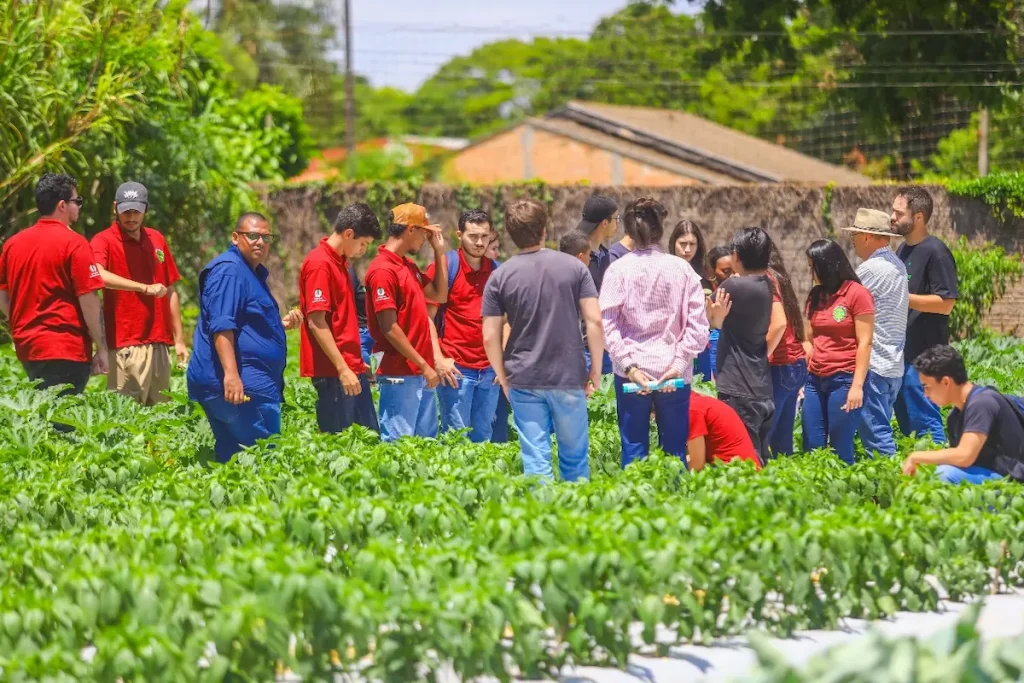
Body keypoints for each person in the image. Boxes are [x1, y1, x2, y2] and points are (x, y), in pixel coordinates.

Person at [482, 198, 601, 482]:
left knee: (536, 461)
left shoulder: (500, 276)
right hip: (568, 374)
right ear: (544, 230)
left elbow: (489, 336)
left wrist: (503, 376)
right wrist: (595, 368)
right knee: (574, 459)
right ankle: (578, 520)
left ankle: (542, 522)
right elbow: (594, 320)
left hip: (523, 377)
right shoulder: (575, 268)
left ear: (510, 234)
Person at [601, 197, 709, 467]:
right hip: (673, 371)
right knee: (674, 451)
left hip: (631, 374)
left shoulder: (617, 270)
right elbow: (698, 327)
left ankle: (638, 504)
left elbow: (608, 325)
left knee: (634, 449)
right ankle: (675, 504)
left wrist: (630, 366)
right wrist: (679, 363)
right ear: (661, 230)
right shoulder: (682, 269)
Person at [187, 213, 303, 462]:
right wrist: (231, 376)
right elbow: (221, 325)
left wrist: (276, 326)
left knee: (235, 463)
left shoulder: (249, 272)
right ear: (235, 237)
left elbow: (242, 322)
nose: (260, 242)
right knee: (264, 461)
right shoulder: (230, 271)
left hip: (247, 386)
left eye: (266, 237)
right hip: (242, 387)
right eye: (252, 235)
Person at [0, 173, 107, 395]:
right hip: (66, 349)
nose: (79, 206)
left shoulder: (12, 245)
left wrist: (22, 325)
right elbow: (89, 302)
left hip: (28, 349)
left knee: (44, 419)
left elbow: (2, 295)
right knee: (63, 424)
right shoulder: (75, 244)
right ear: (62, 205)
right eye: (76, 201)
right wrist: (103, 348)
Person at [90, 182, 187, 405]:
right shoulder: (103, 240)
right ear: (115, 208)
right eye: (126, 211)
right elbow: (98, 275)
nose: (131, 217)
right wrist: (142, 287)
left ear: (145, 210)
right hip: (125, 342)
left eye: (136, 211)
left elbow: (170, 288)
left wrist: (179, 340)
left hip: (159, 343)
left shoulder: (157, 239)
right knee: (126, 421)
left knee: (160, 418)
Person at [364, 203, 454, 442]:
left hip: (420, 371)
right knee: (399, 444)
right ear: (410, 230)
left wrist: (439, 251)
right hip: (400, 372)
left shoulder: (408, 265)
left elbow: (439, 296)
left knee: (426, 444)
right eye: (425, 233)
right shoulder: (383, 270)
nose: (426, 238)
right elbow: (389, 327)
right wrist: (423, 364)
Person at [299, 203, 382, 434]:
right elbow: (317, 321)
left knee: (368, 438)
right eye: (363, 243)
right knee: (339, 443)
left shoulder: (341, 263)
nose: (364, 250)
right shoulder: (320, 264)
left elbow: (341, 321)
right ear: (348, 234)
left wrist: (355, 362)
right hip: (334, 372)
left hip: (350, 366)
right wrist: (343, 368)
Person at [891, 187, 957, 445]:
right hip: (904, 354)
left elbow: (946, 303)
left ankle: (939, 477)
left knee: (926, 423)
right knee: (908, 424)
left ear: (918, 217)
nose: (892, 217)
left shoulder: (936, 252)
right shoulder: (902, 251)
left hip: (926, 356)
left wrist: (900, 297)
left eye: (899, 213)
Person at [428, 209, 502, 443]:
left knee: (484, 439)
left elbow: (508, 320)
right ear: (459, 235)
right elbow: (426, 317)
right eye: (473, 236)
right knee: (456, 440)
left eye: (485, 236)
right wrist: (438, 359)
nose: (480, 242)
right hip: (456, 368)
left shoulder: (498, 271)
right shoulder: (445, 266)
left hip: (490, 370)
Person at [902, 345, 1024, 484]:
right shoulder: (955, 416)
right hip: (990, 474)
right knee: (926, 473)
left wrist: (916, 456)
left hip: (1013, 480)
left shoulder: (982, 403)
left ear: (946, 382)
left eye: (927, 387)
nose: (925, 394)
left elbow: (965, 456)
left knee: (943, 475)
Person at [801, 239, 874, 465]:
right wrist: (809, 353)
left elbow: (865, 343)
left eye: (813, 266)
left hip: (844, 379)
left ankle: (844, 497)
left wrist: (857, 387)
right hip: (815, 380)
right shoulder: (816, 295)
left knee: (839, 448)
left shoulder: (856, 294)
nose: (810, 271)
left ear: (827, 265)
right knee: (812, 445)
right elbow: (808, 337)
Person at [843, 208, 909, 457]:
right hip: (892, 366)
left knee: (877, 441)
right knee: (880, 432)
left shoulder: (870, 270)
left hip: (873, 367)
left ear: (867, 236)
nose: (854, 243)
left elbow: (844, 307)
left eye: (854, 237)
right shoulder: (898, 265)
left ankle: (895, 490)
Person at [706, 227, 775, 464]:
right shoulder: (767, 284)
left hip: (738, 385)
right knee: (760, 455)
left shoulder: (734, 287)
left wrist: (716, 319)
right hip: (761, 385)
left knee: (742, 459)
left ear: (736, 256)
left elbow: (708, 312)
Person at [765, 245, 807, 457]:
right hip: (795, 363)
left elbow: (779, 323)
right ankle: (785, 483)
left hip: (780, 365)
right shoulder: (780, 277)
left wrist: (760, 356)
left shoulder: (767, 278)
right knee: (782, 441)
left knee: (764, 436)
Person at [577, 195, 618, 375]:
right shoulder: (576, 258)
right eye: (616, 219)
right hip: (583, 349)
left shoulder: (607, 256)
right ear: (604, 223)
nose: (618, 224)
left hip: (609, 348)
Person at [669, 220, 714, 380]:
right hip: (673, 347)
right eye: (682, 243)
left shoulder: (706, 274)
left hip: (702, 345)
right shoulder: (665, 270)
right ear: (673, 243)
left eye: (692, 244)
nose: (687, 249)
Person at [484, 234, 512, 444]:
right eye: (493, 248)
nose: (497, 254)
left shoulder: (501, 273)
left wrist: (501, 364)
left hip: (494, 367)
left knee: (498, 426)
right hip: (470, 365)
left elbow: (507, 323)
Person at [687, 392, 761, 471]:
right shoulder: (698, 401)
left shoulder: (692, 410)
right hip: (747, 469)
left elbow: (697, 465)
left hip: (735, 473)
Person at [704, 245, 734, 376]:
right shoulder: (705, 294)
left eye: (735, 270)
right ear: (711, 272)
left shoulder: (738, 292)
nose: (733, 276)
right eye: (726, 271)